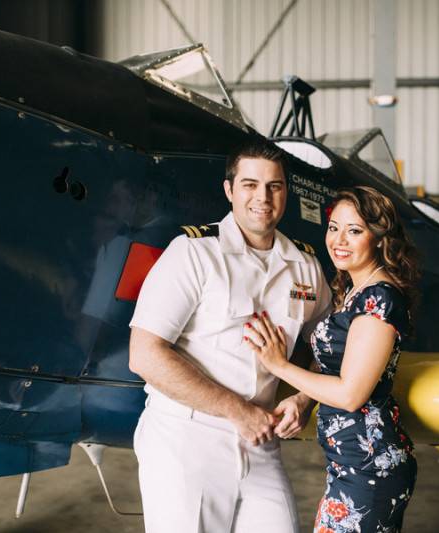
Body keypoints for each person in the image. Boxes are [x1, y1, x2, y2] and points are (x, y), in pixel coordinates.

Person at [128, 142, 332, 533]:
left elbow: (330, 345)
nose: (263, 198)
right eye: (250, 184)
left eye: (274, 186)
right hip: (186, 437)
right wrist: (237, 411)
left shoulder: (305, 265)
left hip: (261, 440)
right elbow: (145, 355)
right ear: (229, 190)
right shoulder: (193, 253)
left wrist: (304, 399)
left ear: (286, 192)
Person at [245, 186, 420, 533]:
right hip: (349, 462)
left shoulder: (379, 299)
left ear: (379, 238)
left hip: (369, 465)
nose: (339, 239)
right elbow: (335, 367)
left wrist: (280, 365)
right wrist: (301, 398)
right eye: (334, 227)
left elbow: (350, 394)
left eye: (354, 231)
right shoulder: (353, 289)